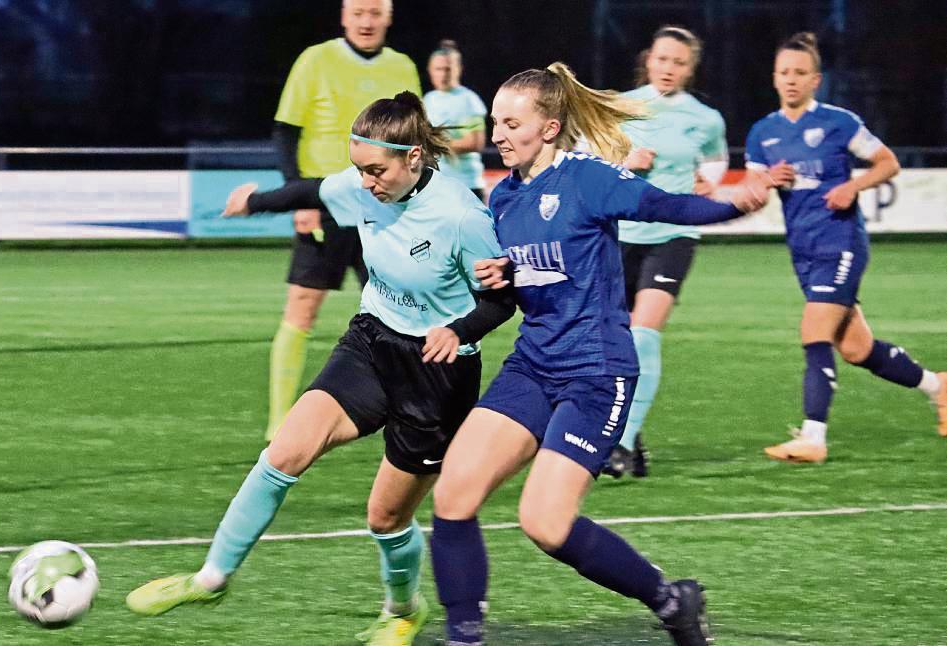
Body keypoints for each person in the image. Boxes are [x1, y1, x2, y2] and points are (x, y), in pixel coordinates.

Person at [126, 93, 516, 646]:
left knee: (384, 518)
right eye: (359, 169)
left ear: (412, 158)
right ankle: (211, 578)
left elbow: (501, 301)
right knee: (284, 451)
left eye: (376, 170)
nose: (366, 183)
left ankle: (402, 608)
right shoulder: (361, 187)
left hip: (438, 375)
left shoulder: (461, 215)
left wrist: (459, 331)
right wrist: (255, 201)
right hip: (372, 343)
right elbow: (312, 188)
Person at [428, 63, 768, 646]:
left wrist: (732, 205)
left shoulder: (587, 179)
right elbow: (520, 284)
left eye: (512, 122)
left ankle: (671, 600)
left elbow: (666, 206)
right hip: (533, 365)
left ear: (551, 127)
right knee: (453, 495)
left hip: (596, 372)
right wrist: (500, 278)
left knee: (545, 522)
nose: (499, 134)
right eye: (494, 122)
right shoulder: (503, 196)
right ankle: (464, 637)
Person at [744, 32, 947, 464]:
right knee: (856, 349)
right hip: (803, 250)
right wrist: (766, 181)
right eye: (784, 73)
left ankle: (813, 437)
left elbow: (887, 162)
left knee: (813, 331)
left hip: (841, 242)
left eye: (800, 73)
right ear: (774, 78)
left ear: (816, 80)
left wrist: (853, 186)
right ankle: (939, 386)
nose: (791, 80)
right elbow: (751, 192)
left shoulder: (839, 123)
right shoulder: (763, 133)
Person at [265, 0, 421, 441]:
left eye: (375, 13)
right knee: (302, 307)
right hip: (326, 203)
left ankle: (410, 410)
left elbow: (413, 138)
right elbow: (285, 131)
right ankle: (279, 421)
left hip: (384, 207)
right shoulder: (314, 60)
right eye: (359, 13)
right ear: (343, 15)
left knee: (404, 313)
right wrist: (300, 198)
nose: (367, 21)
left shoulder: (403, 67)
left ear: (389, 16)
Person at [603, 25, 729, 479]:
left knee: (643, 335)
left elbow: (714, 161)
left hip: (674, 235)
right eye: (662, 59)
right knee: (614, 342)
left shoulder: (705, 118)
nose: (669, 68)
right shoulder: (623, 106)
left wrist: (709, 182)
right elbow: (595, 160)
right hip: (621, 235)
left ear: (689, 69)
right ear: (648, 59)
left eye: (679, 62)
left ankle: (617, 444)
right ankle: (632, 441)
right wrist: (625, 163)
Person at [423, 40, 488, 201]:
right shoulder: (428, 100)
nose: (443, 74)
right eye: (438, 69)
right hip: (435, 185)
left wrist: (434, 144)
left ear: (458, 69)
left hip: (466, 186)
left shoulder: (468, 100)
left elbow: (476, 142)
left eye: (448, 69)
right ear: (430, 70)